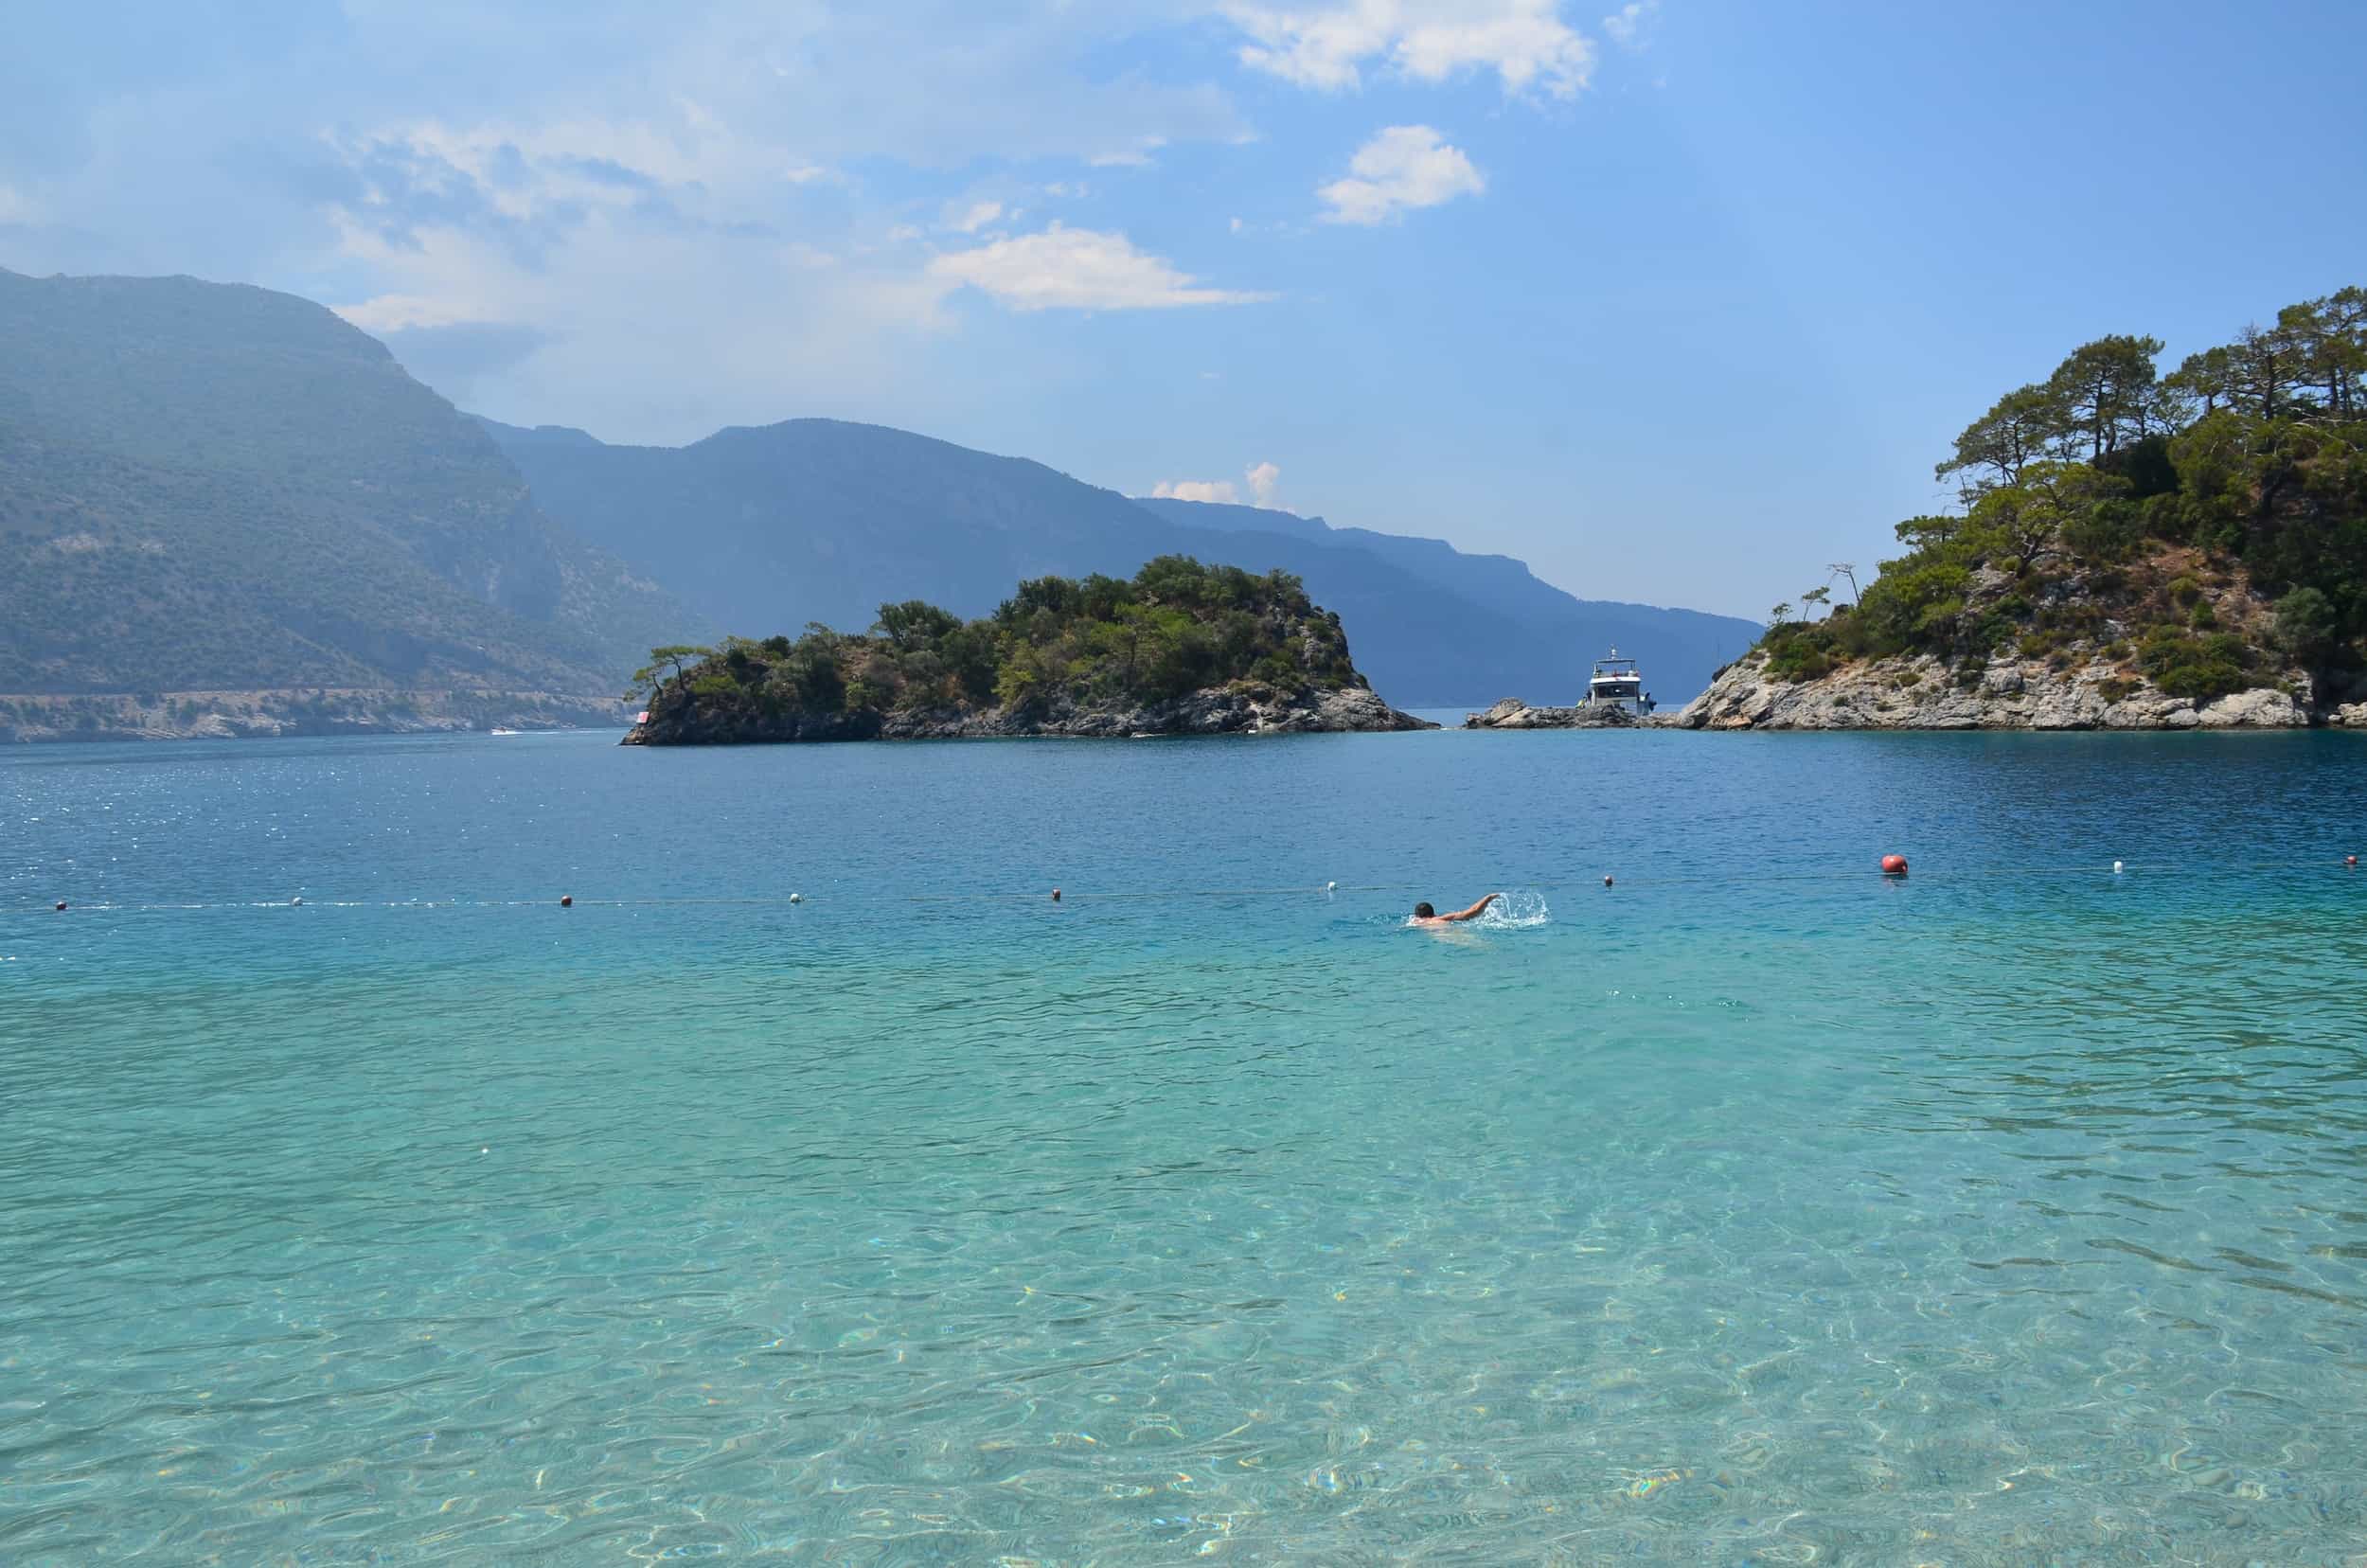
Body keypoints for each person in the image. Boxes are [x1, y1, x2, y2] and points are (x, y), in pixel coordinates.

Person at [1411, 893, 1500, 926]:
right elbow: (1473, 911)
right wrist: (1488, 897)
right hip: (1457, 931)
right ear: (1434, 914)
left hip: (1443, 937)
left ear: (1417, 915)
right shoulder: (1443, 918)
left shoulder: (1418, 922)